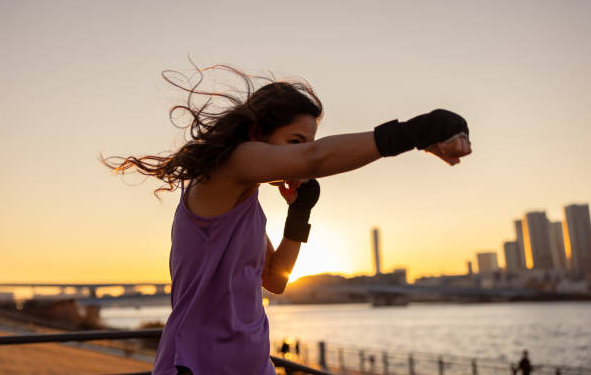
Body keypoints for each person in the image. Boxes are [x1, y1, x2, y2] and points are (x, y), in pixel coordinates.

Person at [103, 65, 472, 375]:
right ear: (256, 134)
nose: (300, 154)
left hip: (253, 365)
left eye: (307, 141)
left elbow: (275, 279)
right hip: (198, 365)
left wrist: (300, 213)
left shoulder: (247, 201)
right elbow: (314, 159)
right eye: (295, 141)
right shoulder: (228, 167)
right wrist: (415, 132)